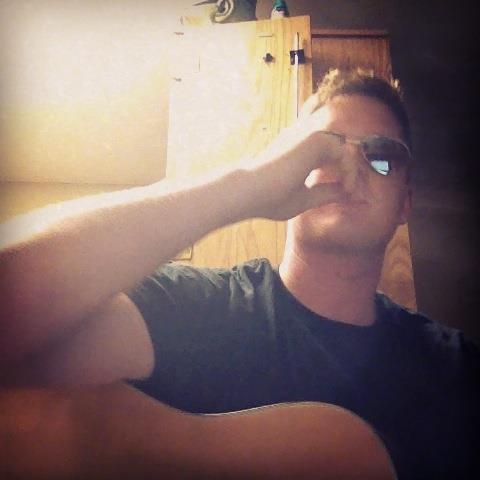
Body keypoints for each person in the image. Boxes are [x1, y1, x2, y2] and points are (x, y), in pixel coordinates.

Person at [0, 69, 478, 479]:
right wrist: (247, 184)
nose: (351, 167)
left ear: (405, 203)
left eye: (381, 156)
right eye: (326, 150)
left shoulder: (456, 371)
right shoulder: (192, 312)